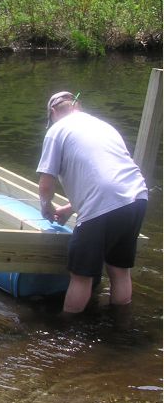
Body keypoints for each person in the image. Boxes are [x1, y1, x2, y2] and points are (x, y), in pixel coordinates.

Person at [37, 91, 148, 314]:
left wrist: (46, 207)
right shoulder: (103, 126)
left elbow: (46, 184)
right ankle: (120, 324)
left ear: (53, 112)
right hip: (136, 198)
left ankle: (68, 333)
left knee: (81, 276)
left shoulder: (56, 130)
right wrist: (70, 208)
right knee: (119, 270)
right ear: (77, 106)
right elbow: (107, 174)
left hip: (104, 205)